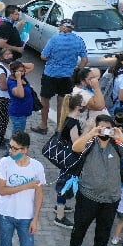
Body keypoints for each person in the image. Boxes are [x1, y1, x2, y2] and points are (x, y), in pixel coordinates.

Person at [68, 114, 123, 246]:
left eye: (108, 128)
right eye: (102, 128)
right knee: (81, 226)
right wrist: (92, 133)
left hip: (111, 197)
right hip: (88, 195)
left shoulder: (118, 144)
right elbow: (75, 147)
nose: (105, 131)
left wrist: (121, 136)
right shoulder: (90, 142)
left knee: (104, 229)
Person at [0, 131, 45, 246]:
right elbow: (1, 190)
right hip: (6, 215)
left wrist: (36, 218)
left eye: (15, 149)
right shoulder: (5, 163)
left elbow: (39, 194)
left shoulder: (37, 167)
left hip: (26, 217)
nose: (11, 151)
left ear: (25, 150)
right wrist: (27, 186)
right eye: (10, 147)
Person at [34, 19, 87, 134]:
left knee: (45, 100)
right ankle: (59, 128)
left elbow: (43, 56)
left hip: (51, 74)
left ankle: (43, 126)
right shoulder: (79, 40)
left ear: (63, 27)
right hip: (68, 76)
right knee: (62, 103)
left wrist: (54, 60)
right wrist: (77, 72)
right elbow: (84, 60)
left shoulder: (54, 39)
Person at [53, 94, 86, 229]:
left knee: (64, 182)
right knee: (65, 185)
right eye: (84, 104)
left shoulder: (70, 118)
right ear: (78, 107)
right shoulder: (72, 122)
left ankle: (60, 206)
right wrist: (88, 130)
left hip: (67, 159)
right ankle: (59, 217)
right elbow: (76, 143)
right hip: (71, 160)